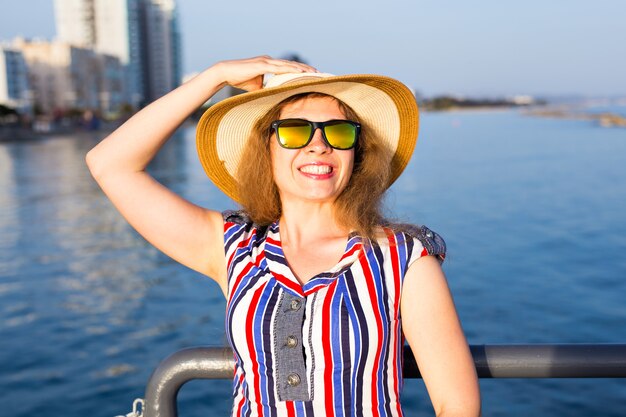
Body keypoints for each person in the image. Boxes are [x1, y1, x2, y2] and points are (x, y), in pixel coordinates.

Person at [86, 56, 481, 417]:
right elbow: (109, 164)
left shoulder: (403, 258)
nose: (319, 146)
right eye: (294, 132)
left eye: (339, 132)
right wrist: (214, 77)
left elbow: (457, 405)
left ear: (357, 152)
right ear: (266, 148)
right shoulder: (233, 246)